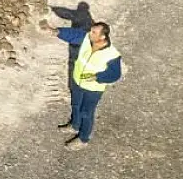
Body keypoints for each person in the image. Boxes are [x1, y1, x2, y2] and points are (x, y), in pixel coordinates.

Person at [40, 20, 122, 149]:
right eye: (91, 30)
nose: (90, 33)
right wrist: (55, 31)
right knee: (76, 105)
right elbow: (73, 35)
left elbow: (115, 74)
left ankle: (83, 139)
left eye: (94, 32)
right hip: (78, 82)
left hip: (93, 90)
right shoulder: (87, 39)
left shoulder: (112, 55)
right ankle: (74, 125)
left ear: (102, 37)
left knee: (86, 113)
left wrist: (97, 77)